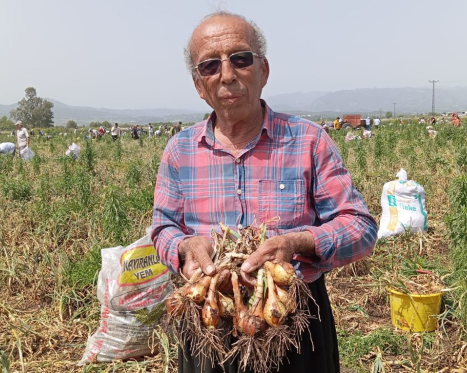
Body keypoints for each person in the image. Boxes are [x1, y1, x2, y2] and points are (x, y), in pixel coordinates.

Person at [151, 12, 377, 373]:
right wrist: (183, 248)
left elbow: (360, 228)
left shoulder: (308, 140)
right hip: (210, 321)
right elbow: (162, 228)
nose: (227, 74)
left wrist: (298, 243)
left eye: (240, 58)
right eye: (210, 66)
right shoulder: (180, 151)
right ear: (198, 85)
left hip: (290, 320)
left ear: (264, 71)